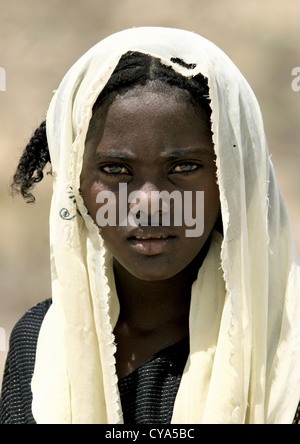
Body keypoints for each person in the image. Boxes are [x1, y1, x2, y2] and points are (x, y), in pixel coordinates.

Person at [1, 27, 300, 424]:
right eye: (115, 170)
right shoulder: (39, 346)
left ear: (233, 176)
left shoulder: (288, 351)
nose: (149, 204)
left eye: (184, 168)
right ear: (75, 181)